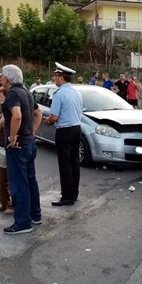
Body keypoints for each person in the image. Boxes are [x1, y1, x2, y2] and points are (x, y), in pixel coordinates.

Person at [1, 64, 42, 235]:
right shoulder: (26, 92)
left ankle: (23, 222)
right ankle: (35, 215)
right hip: (29, 143)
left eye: (2, 76)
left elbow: (16, 115)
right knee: (31, 180)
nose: (0, 78)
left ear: (8, 79)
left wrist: (12, 137)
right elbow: (38, 113)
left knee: (19, 184)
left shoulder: (12, 94)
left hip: (18, 146)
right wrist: (31, 132)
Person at [45, 62, 83, 207]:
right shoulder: (76, 92)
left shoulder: (59, 94)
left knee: (65, 164)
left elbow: (53, 117)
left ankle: (67, 196)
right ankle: (74, 193)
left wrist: (47, 122)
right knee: (74, 162)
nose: (54, 78)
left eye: (55, 76)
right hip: (76, 128)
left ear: (61, 77)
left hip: (64, 131)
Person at [0, 86, 13, 215]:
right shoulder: (1, 110)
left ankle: (12, 203)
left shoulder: (11, 109)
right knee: (0, 176)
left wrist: (2, 123)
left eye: (1, 96)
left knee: (10, 177)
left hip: (8, 146)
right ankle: (3, 201)